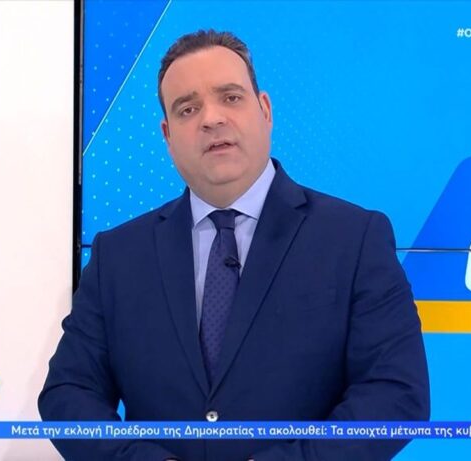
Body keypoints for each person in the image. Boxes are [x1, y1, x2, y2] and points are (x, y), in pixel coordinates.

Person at [39, 29, 430, 461]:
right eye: (188, 109)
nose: (211, 119)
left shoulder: (354, 238)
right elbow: (67, 394)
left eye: (230, 97)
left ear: (265, 110)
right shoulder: (119, 256)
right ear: (167, 135)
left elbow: (395, 394)